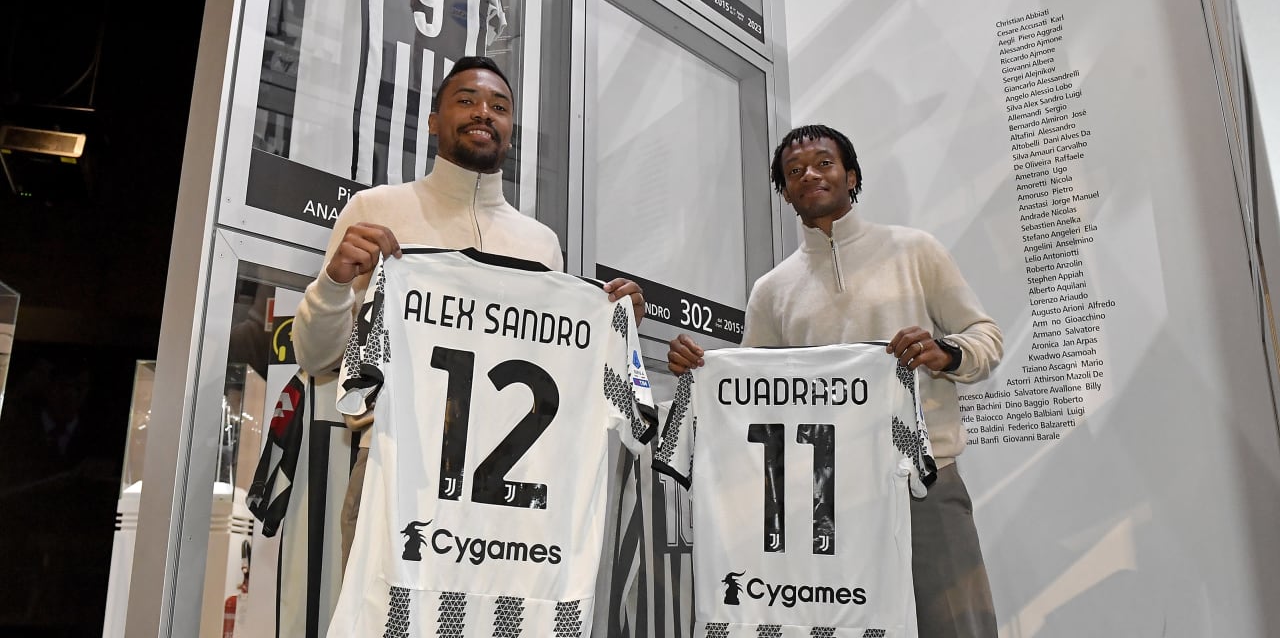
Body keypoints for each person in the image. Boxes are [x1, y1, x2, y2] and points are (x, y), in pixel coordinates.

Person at [293, 56, 644, 569]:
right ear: (433, 121)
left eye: (499, 106)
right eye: (466, 100)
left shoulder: (540, 244)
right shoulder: (375, 211)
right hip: (397, 475)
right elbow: (318, 358)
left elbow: (561, 382)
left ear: (510, 128)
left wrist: (615, 331)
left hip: (510, 493)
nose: (484, 113)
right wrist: (335, 282)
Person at [667, 123, 1002, 638]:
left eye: (823, 163)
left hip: (923, 483)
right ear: (783, 191)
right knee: (840, 627)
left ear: (851, 175)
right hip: (824, 497)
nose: (809, 176)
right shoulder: (772, 290)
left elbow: (985, 337)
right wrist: (701, 374)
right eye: (794, 171)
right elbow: (755, 397)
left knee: (957, 625)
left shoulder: (916, 251)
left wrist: (946, 353)